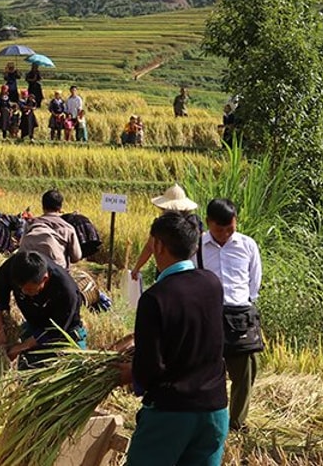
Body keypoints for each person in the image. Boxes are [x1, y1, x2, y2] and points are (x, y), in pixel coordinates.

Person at [120, 211, 229, 466]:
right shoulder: (212, 284)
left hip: (171, 413)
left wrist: (130, 374)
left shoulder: (155, 298)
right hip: (214, 411)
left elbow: (149, 368)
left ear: (157, 245)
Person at [200, 199, 263, 432]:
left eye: (230, 228)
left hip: (239, 318)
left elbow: (254, 283)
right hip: (208, 317)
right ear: (208, 223)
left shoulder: (247, 245)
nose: (225, 234)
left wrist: (243, 305)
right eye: (219, 229)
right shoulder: (197, 246)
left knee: (244, 373)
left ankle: (236, 422)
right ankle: (207, 420)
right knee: (205, 371)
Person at [0, 252, 86, 367]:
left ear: (45, 279)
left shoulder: (66, 291)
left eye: (29, 290)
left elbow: (54, 330)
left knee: (70, 371)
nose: (24, 292)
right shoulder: (15, 266)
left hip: (64, 332)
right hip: (34, 324)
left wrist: (21, 347)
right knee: (27, 373)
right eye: (20, 289)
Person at [130, 184, 203, 280]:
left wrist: (137, 268)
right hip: (191, 271)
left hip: (168, 272)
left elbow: (149, 247)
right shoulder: (194, 223)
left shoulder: (163, 226)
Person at [18, 189, 82, 269]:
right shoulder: (68, 228)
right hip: (56, 272)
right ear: (60, 208)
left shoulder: (30, 224)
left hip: (29, 270)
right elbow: (76, 257)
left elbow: (21, 248)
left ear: (43, 207)